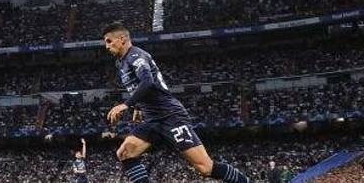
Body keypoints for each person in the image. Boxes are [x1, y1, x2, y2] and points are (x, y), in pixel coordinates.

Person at [101, 21, 255, 183]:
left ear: (123, 39)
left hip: (170, 116)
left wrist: (126, 104)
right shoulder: (121, 62)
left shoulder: (137, 56)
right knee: (125, 153)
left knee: (205, 168)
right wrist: (138, 107)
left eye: (109, 41)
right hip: (153, 119)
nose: (106, 46)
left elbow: (148, 82)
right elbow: (139, 86)